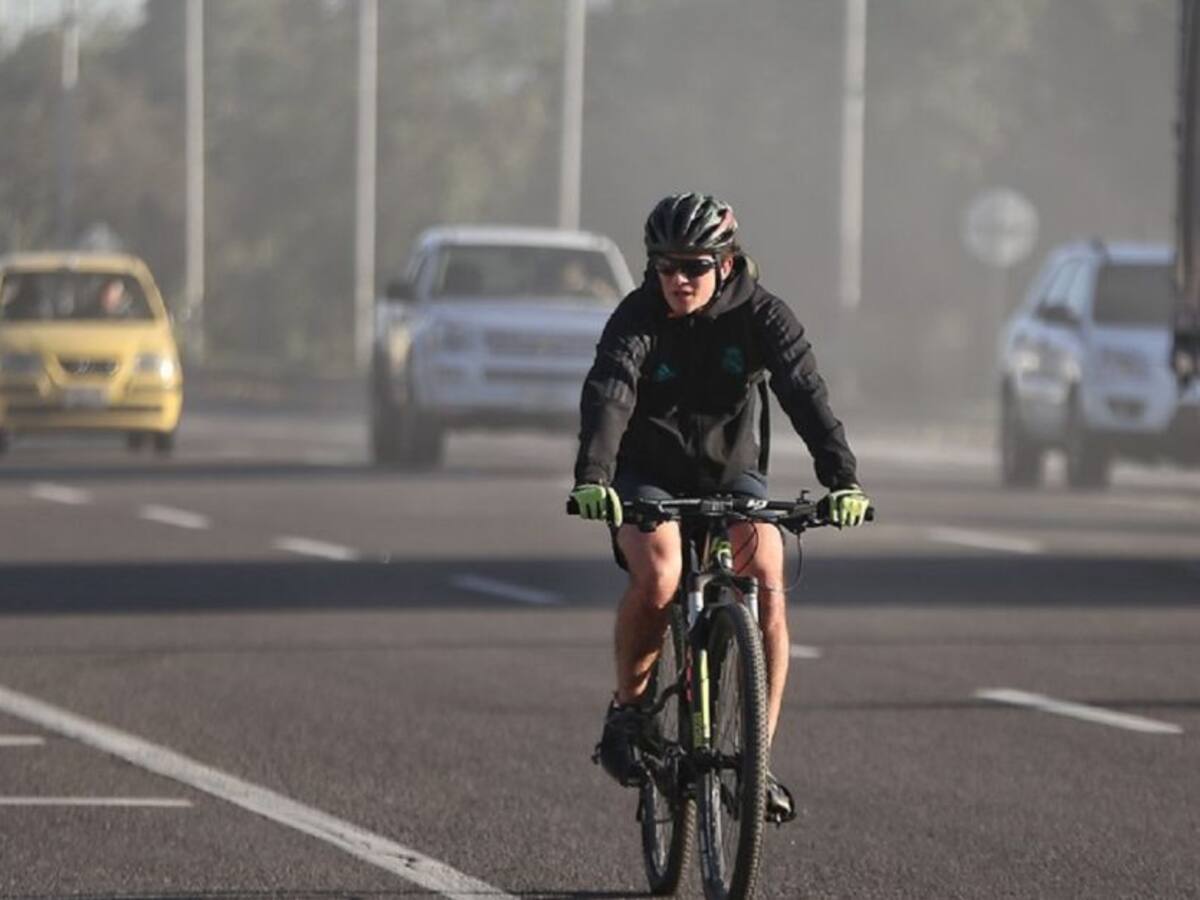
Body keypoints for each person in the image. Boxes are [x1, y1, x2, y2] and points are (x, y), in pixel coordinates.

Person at [570, 192, 871, 823]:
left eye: (694, 266)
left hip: (734, 474)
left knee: (767, 573)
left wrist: (842, 478)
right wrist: (595, 475)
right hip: (647, 473)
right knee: (661, 572)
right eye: (664, 266)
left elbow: (805, 393)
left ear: (726, 264)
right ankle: (629, 711)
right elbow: (610, 395)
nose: (678, 279)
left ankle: (756, 764)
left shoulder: (764, 316)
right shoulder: (636, 317)